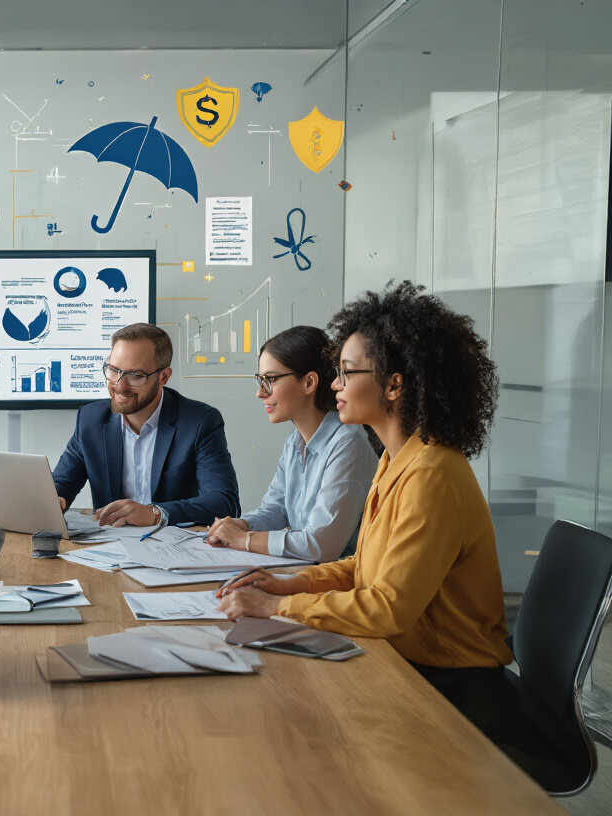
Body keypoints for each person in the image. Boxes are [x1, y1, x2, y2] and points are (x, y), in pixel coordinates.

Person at [214, 282, 563, 784]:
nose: (335, 385)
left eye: (347, 372)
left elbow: (388, 608)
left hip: (454, 689)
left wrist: (275, 608)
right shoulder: (397, 458)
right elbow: (365, 566)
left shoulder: (432, 475)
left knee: (297, 743)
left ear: (394, 386)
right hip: (409, 664)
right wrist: (289, 584)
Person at [204, 326, 377, 562]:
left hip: (338, 583)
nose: (260, 393)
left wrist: (244, 540)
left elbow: (321, 545)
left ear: (309, 383)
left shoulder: (348, 443)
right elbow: (277, 508)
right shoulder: (295, 439)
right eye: (260, 380)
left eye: (270, 379)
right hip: (302, 571)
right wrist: (239, 524)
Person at [52, 322, 240, 527]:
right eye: (114, 370)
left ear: (163, 377)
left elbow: (224, 502)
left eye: (135, 376)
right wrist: (54, 498)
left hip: (174, 549)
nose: (120, 386)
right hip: (110, 548)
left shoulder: (199, 422)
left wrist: (155, 514)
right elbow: (61, 484)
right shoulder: (91, 419)